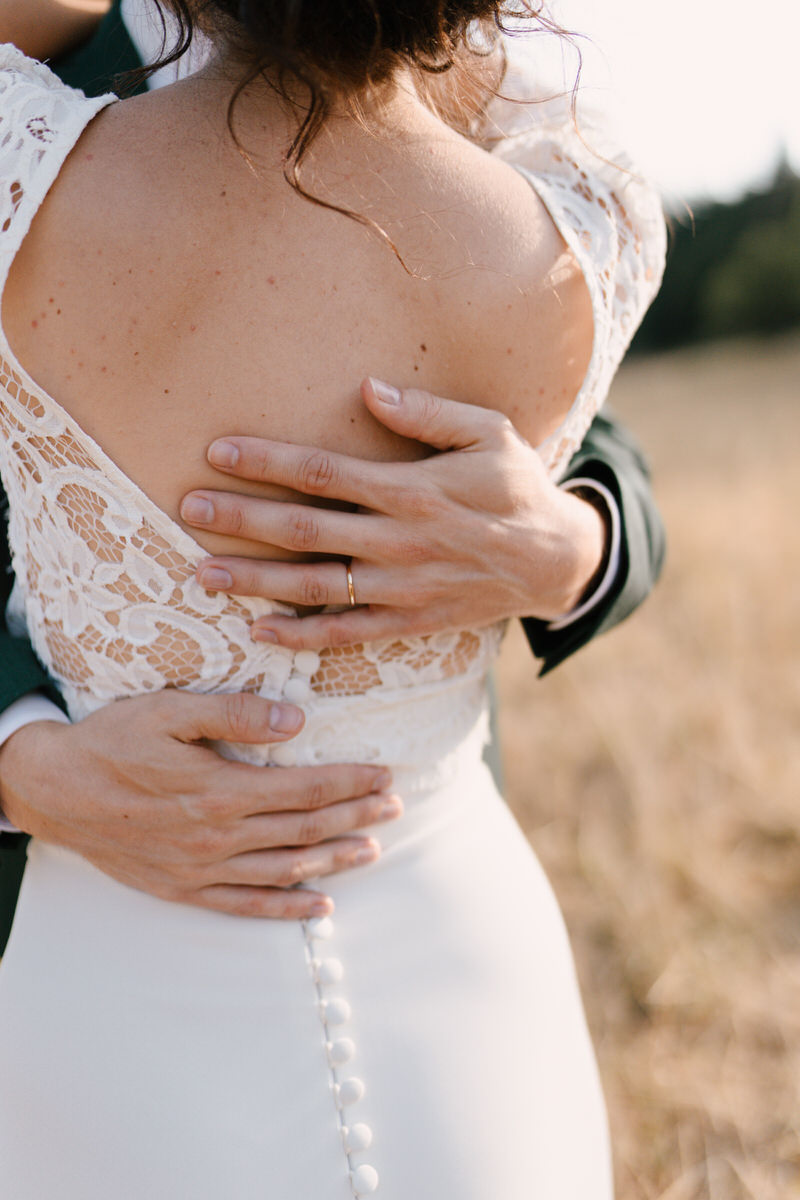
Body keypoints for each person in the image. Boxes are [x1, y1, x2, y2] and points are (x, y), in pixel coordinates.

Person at [0, 2, 665, 1195]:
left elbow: (597, 461)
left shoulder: (24, 150)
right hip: (300, 918)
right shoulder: (571, 204)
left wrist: (572, 545)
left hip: (325, 957)